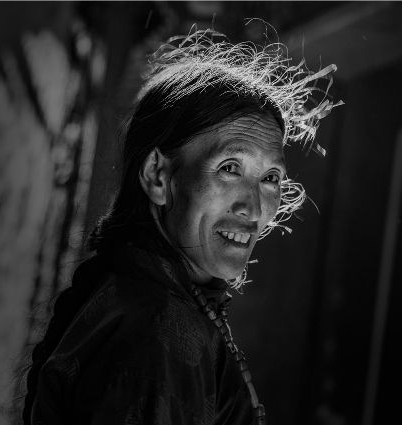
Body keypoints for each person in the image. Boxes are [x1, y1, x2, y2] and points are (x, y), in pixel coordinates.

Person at [22, 29, 340, 425]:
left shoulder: (150, 301)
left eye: (270, 178)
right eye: (230, 168)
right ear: (158, 176)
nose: (255, 207)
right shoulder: (156, 329)